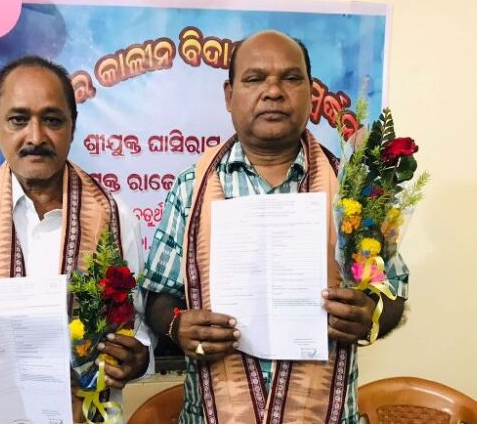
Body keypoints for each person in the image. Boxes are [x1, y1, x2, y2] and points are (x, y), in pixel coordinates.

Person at [142, 30, 409, 423]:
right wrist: (176, 325)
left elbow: (395, 293)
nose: (273, 92)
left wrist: (370, 316)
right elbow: (156, 297)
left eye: (290, 78)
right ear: (229, 96)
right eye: (254, 79)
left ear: (311, 93)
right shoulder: (191, 188)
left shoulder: (352, 189)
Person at [0, 56, 153, 423]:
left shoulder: (114, 215)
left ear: (73, 126)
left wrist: (139, 356)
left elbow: (135, 321)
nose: (36, 137)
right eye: (18, 119)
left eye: (52, 120)